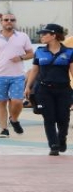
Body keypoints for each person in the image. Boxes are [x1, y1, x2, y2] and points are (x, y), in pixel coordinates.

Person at [0, 14, 34, 138]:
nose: (9, 22)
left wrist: (20, 57)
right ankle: (4, 129)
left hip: (17, 75)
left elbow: (31, 54)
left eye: (12, 20)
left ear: (15, 22)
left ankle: (14, 119)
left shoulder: (23, 36)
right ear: (1, 22)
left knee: (17, 101)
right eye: (6, 20)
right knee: (1, 102)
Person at [25, 24, 73, 156]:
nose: (42, 36)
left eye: (45, 34)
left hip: (63, 89)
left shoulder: (69, 52)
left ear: (54, 35)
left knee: (63, 118)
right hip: (44, 89)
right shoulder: (40, 51)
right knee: (49, 118)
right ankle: (53, 145)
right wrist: (28, 86)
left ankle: (62, 139)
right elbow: (35, 70)